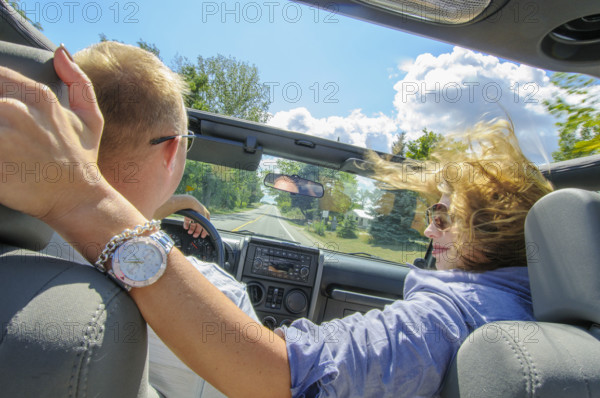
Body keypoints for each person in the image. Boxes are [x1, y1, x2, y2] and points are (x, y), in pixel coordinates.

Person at [0, 45, 553, 398]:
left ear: (485, 231)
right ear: (173, 154)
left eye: (441, 216)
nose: (429, 231)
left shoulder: (444, 317)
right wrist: (147, 212)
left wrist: (86, 201)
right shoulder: (537, 314)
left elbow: (280, 374)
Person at [51, 41, 259, 397]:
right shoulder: (219, 298)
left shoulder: (21, 238)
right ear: (172, 150)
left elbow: (100, 204)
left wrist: (172, 202)